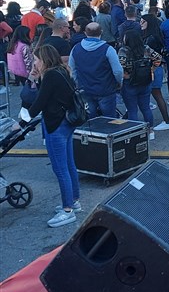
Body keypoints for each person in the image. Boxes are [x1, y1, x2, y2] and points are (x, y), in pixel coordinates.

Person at [22, 44, 81, 227]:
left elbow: (39, 101)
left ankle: (67, 209)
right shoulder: (62, 71)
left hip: (55, 124)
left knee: (60, 168)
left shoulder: (50, 76)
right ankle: (74, 201)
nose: (35, 63)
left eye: (37, 59)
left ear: (44, 60)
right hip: (66, 123)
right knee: (70, 165)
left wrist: (23, 121)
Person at [69, 21, 123, 118]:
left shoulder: (75, 49)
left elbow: (72, 70)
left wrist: (77, 84)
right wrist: (119, 81)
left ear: (85, 33)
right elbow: (117, 71)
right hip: (106, 90)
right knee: (110, 119)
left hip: (85, 89)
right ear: (101, 32)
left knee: (91, 120)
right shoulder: (108, 49)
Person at [117, 29, 155, 129]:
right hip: (145, 81)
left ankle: (136, 132)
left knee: (132, 110)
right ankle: (150, 130)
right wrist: (151, 70)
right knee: (146, 108)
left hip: (130, 82)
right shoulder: (146, 48)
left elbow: (120, 67)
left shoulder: (124, 51)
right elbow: (158, 58)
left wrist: (125, 75)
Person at [140, 14, 169, 131]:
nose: (140, 24)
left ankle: (167, 121)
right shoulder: (154, 36)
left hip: (153, 69)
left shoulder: (151, 39)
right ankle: (166, 120)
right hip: (155, 68)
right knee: (155, 94)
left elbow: (147, 54)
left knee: (157, 94)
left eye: (143, 22)